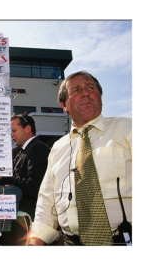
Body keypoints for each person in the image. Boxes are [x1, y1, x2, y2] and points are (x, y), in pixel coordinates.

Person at [28, 71, 132, 246]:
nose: (85, 93)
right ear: (64, 105)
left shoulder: (128, 129)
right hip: (72, 243)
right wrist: (36, 239)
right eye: (76, 90)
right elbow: (47, 199)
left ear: (100, 96)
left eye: (90, 87)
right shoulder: (57, 148)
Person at [0, 114, 50, 221]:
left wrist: (4, 177)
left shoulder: (38, 149)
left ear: (27, 129)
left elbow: (34, 187)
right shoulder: (25, 150)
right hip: (23, 216)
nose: (11, 135)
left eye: (14, 131)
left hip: (31, 218)